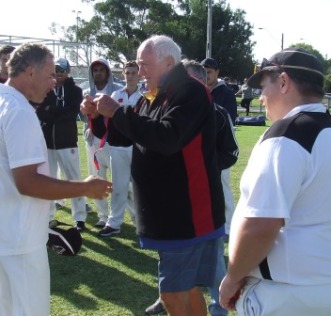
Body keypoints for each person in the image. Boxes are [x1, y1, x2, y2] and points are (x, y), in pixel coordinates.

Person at [81, 35, 225, 316]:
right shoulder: (156, 95)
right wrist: (98, 115)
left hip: (187, 214)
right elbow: (121, 135)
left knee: (172, 293)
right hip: (173, 213)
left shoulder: (190, 91)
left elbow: (167, 138)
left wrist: (117, 111)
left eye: (145, 64)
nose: (140, 71)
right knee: (185, 289)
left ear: (169, 62)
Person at [0, 43, 111, 316]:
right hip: (20, 241)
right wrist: (84, 188)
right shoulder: (20, 111)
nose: (53, 83)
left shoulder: (4, 101)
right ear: (29, 72)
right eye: (50, 75)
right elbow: (28, 182)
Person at [220, 48, 331, 315]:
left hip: (287, 295)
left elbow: (261, 225)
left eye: (263, 86)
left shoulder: (286, 136)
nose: (261, 96)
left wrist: (232, 277)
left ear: (283, 82)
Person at [145, 59, 239, 316]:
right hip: (175, 197)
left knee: (212, 256)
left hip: (206, 196)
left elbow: (231, 152)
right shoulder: (165, 107)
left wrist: (200, 168)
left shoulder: (217, 112)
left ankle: (218, 306)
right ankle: (164, 297)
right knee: (169, 250)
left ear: (198, 82)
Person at [35, 57, 88, 231]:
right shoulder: (46, 89)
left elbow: (72, 112)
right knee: (48, 181)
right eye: (56, 70)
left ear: (68, 71)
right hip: (48, 143)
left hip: (67, 142)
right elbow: (42, 112)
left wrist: (54, 111)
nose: (59, 73)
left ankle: (79, 218)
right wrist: (54, 112)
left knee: (74, 180)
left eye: (62, 70)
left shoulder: (75, 90)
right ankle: (48, 217)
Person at [98, 60, 144, 237]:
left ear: (139, 74)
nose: (130, 76)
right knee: (118, 186)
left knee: (141, 186)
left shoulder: (144, 97)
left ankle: (144, 222)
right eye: (128, 72)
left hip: (137, 147)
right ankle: (114, 223)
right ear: (123, 74)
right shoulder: (115, 94)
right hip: (117, 146)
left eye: (134, 72)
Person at [83, 57, 122, 228]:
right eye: (95, 70)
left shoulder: (117, 90)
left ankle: (118, 216)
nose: (98, 73)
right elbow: (84, 117)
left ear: (108, 72)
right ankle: (103, 215)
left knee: (119, 179)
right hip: (93, 140)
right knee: (97, 176)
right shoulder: (86, 92)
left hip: (112, 141)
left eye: (101, 70)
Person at [201, 57, 237, 240]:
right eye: (204, 71)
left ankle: (229, 226)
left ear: (217, 72)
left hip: (221, 147)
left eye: (209, 71)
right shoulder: (199, 91)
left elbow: (229, 120)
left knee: (223, 186)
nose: (206, 75)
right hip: (203, 148)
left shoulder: (225, 92)